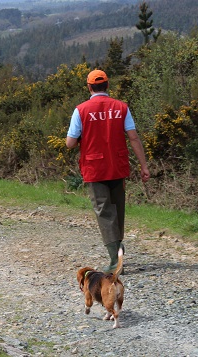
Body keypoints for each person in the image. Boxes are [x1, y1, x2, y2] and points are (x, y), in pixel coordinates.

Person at [66, 69, 150, 273]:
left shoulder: (81, 110)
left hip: (95, 168)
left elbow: (70, 143)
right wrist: (144, 165)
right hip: (118, 166)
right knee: (117, 207)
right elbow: (134, 137)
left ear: (88, 87)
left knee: (104, 210)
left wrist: (80, 139)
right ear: (107, 85)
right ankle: (117, 250)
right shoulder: (121, 107)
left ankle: (115, 261)